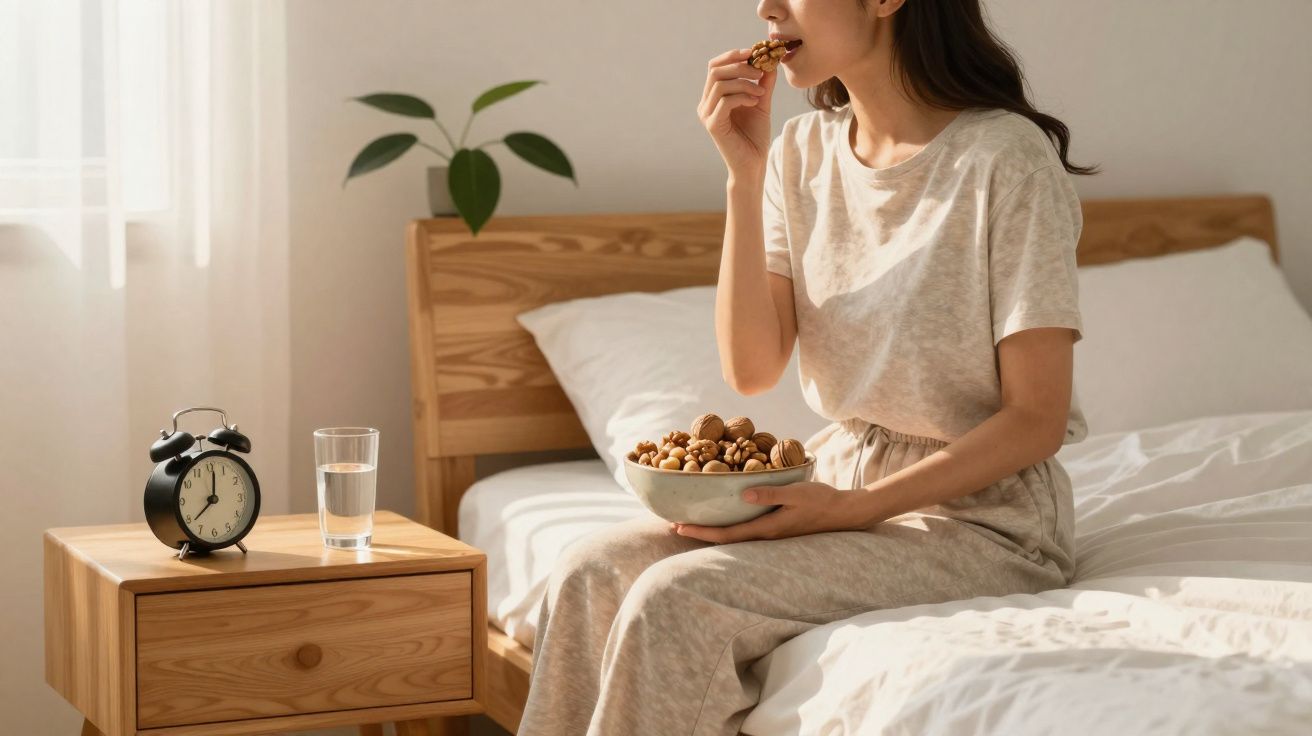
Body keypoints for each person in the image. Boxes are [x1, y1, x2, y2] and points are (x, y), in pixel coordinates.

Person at [517, 1, 1099, 734]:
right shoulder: (801, 151)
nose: (765, 8)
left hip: (985, 521)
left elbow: (1036, 420)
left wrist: (853, 510)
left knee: (680, 599)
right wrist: (743, 173)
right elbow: (751, 367)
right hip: (838, 479)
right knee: (589, 570)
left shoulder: (1006, 160)